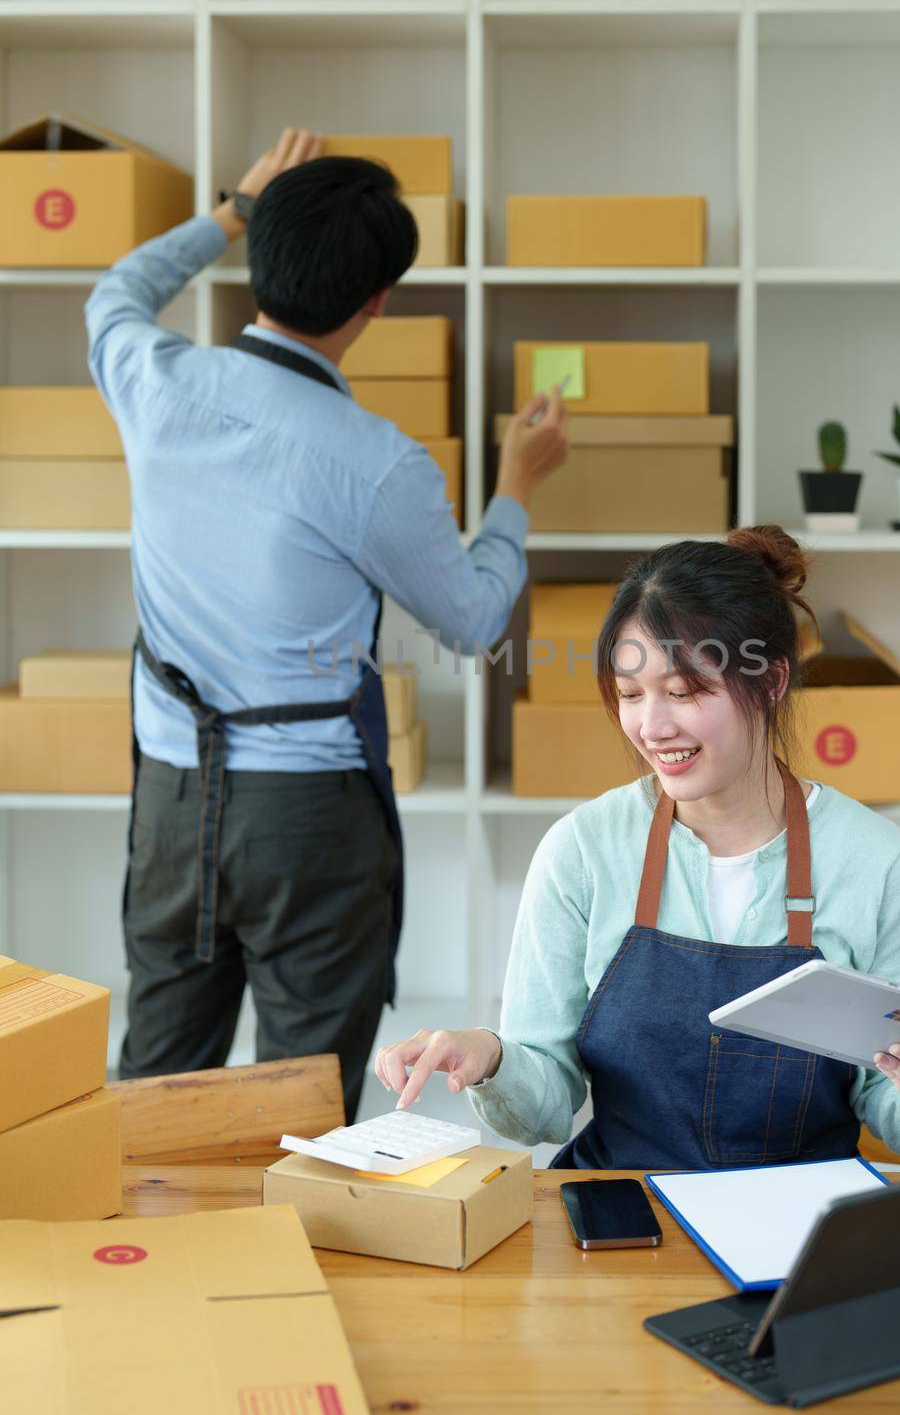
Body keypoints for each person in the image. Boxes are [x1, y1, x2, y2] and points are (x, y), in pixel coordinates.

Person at [85, 126, 568, 1117]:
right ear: (375, 302)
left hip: (172, 807)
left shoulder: (154, 380)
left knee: (152, 1100)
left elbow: (115, 291)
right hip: (308, 822)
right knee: (298, 1110)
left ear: (258, 257)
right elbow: (475, 621)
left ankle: (141, 1268)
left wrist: (230, 207)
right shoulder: (376, 462)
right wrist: (515, 486)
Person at [375, 526, 900, 1167]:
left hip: (799, 1224)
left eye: (685, 692)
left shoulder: (877, 863)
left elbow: (889, 1102)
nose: (653, 726)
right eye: (632, 694)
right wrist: (491, 1058)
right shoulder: (581, 851)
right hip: (621, 1214)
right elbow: (546, 1105)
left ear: (773, 681)